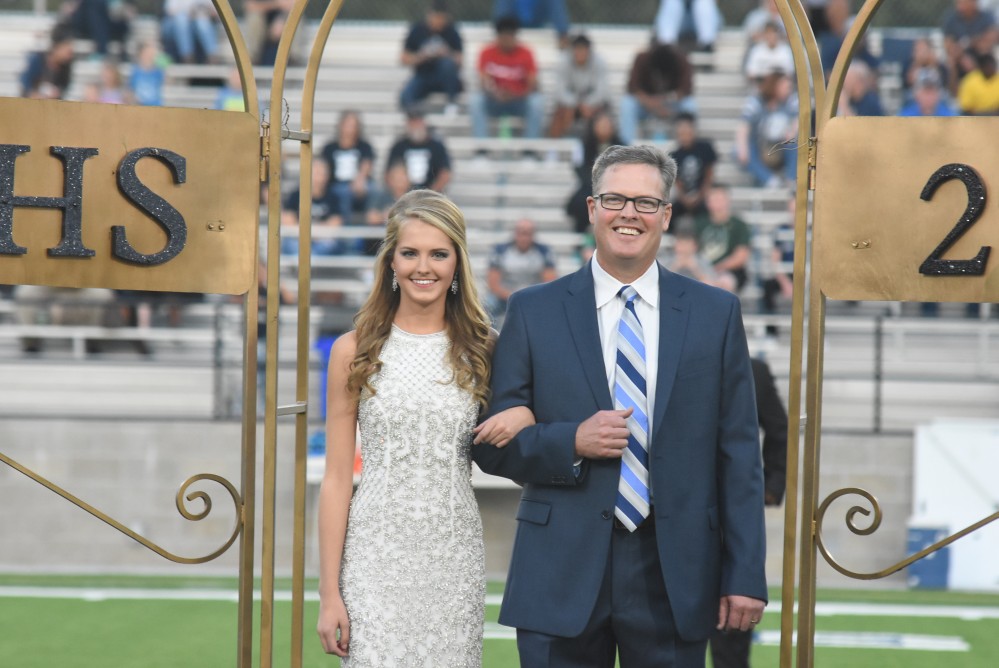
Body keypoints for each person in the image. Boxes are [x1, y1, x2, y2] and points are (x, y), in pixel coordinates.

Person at [472, 144, 767, 667]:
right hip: (558, 569)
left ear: (667, 215)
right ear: (591, 208)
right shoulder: (532, 311)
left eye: (645, 202)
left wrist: (744, 574)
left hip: (673, 574)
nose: (628, 213)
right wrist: (572, 441)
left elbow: (739, 455)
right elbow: (492, 448)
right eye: (614, 199)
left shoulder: (715, 313)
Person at [316, 189, 533, 664]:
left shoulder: (487, 349)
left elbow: (531, 423)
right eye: (410, 253)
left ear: (457, 262)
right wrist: (329, 593)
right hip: (373, 557)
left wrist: (524, 413)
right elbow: (335, 481)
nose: (424, 267)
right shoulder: (352, 351)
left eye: (439, 254)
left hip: (452, 558)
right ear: (391, 262)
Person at [709, 356, 788, 668]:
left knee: (734, 614)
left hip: (732, 507)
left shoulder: (753, 369)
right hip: (670, 506)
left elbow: (780, 428)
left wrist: (772, 484)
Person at [470, 15, 545, 143]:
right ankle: (481, 148)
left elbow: (533, 84)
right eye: (504, 36)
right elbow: (483, 81)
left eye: (510, 36)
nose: (507, 40)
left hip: (518, 101)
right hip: (495, 100)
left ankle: (530, 149)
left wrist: (515, 94)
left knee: (536, 102)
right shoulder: (487, 52)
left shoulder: (525, 53)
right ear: (498, 37)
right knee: (476, 101)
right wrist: (495, 93)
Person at [618, 41, 696, 144]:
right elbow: (633, 88)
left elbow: (686, 89)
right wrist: (651, 103)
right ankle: (626, 148)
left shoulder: (682, 60)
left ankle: (687, 146)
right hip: (645, 105)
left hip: (672, 105)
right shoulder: (642, 58)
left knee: (690, 104)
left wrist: (668, 100)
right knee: (627, 104)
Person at [485, 217, 557, 325]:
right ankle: (489, 338)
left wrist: (529, 296)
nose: (524, 237)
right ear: (515, 233)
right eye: (521, 232)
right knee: (488, 305)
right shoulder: (500, 250)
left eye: (528, 233)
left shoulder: (543, 251)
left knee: (554, 305)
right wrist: (513, 296)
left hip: (533, 296)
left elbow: (550, 282)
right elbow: (493, 283)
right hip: (505, 296)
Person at [735, 69, 798, 188]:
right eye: (785, 86)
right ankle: (769, 180)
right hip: (761, 147)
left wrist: (792, 132)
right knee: (738, 149)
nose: (788, 89)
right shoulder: (755, 102)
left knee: (796, 141)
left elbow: (799, 120)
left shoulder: (791, 100)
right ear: (775, 85)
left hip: (782, 147)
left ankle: (791, 179)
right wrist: (742, 148)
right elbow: (744, 126)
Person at [399, 0, 464, 114]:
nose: (439, 22)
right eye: (436, 18)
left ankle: (452, 102)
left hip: (444, 77)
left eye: (442, 18)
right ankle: (415, 120)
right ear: (429, 15)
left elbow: (459, 61)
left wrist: (446, 53)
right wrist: (421, 56)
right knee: (405, 96)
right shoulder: (417, 30)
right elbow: (403, 58)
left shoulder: (452, 31)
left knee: (447, 64)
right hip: (423, 74)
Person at [566, 109, 623, 233]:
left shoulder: (621, 146)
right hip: (590, 186)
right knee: (581, 203)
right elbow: (578, 167)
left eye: (607, 125)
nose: (604, 128)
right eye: (601, 125)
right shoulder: (584, 145)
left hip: (616, 188)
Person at [547, 33, 611, 138]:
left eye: (583, 49)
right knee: (561, 114)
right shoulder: (563, 62)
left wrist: (588, 104)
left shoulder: (599, 63)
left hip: (593, 106)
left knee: (602, 121)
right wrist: (576, 104)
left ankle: (595, 150)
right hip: (570, 106)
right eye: (577, 49)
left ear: (589, 51)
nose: (580, 53)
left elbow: (602, 91)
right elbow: (560, 91)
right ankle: (554, 149)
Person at [319, 111, 375, 225]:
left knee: (374, 190)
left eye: (353, 126)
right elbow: (323, 167)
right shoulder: (329, 148)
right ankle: (346, 228)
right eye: (348, 125)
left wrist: (360, 179)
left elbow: (367, 164)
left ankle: (371, 223)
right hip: (335, 185)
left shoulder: (364, 146)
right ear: (341, 126)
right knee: (342, 193)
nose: (350, 129)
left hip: (359, 183)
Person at [694, 186, 752, 293]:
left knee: (723, 283)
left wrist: (717, 268)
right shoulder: (699, 223)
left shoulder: (739, 225)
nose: (718, 203)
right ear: (708, 202)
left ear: (727, 201)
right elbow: (690, 250)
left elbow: (741, 256)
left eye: (720, 199)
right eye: (714, 199)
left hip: (730, 271)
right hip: (702, 269)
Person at [280, 159, 345, 256]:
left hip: (323, 239)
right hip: (299, 239)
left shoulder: (333, 196)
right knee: (292, 245)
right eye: (316, 173)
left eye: (322, 173)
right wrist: (313, 232)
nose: (319, 178)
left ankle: (309, 265)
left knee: (330, 246)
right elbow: (288, 221)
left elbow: (336, 222)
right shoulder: (295, 195)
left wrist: (312, 232)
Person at [942, 0, 999, 95]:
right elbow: (948, 45)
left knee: (984, 52)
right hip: (960, 58)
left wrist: (968, 42)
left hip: (981, 57)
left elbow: (991, 38)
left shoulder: (986, 17)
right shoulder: (951, 18)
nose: (959, 4)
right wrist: (962, 57)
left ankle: (988, 94)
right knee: (951, 62)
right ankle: (955, 95)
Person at [669, 112, 717, 223]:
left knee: (708, 212)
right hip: (684, 197)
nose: (684, 135)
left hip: (703, 194)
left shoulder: (705, 148)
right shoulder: (674, 155)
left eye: (687, 131)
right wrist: (684, 198)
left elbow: (709, 174)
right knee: (671, 212)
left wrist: (701, 195)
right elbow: (678, 182)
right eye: (681, 133)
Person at [386, 111, 453, 192]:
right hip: (404, 194)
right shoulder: (399, 146)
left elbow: (445, 173)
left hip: (431, 193)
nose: (415, 126)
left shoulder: (436, 146)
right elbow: (389, 173)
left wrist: (431, 194)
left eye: (417, 122)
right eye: (412, 123)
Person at [161, 0, 219, 64]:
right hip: (176, 26)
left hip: (199, 24)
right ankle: (187, 57)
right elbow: (170, 10)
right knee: (181, 20)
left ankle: (212, 56)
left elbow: (216, 12)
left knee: (202, 21)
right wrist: (189, 13)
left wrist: (202, 13)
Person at [493, 0, 570, 46]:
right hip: (513, 24)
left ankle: (563, 35)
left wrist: (562, 30)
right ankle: (502, 31)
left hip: (538, 22)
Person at [654, 0, 722, 52]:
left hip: (699, 25)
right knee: (672, 2)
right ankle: (666, 47)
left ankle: (707, 45)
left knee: (704, 2)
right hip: (679, 23)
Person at [128, 41, 166, 106]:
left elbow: (166, 83)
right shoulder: (135, 71)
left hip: (155, 107)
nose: (149, 56)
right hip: (140, 106)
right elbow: (130, 89)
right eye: (147, 53)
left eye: (151, 54)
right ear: (141, 54)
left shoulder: (158, 72)